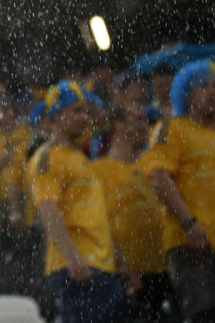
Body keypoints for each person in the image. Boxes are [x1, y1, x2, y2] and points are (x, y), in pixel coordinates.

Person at [26, 81, 127, 323]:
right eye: (75, 112)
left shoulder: (79, 157)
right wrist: (73, 258)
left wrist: (121, 260)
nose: (84, 118)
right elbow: (48, 209)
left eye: (85, 111)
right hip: (76, 268)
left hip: (102, 266)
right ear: (55, 117)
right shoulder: (47, 157)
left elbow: (97, 215)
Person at [144, 60, 215, 321]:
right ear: (185, 92)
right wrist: (188, 223)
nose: (212, 91)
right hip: (192, 243)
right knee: (204, 314)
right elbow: (160, 178)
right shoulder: (171, 128)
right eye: (203, 86)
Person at [92, 103, 174, 322]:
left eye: (147, 121)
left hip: (167, 270)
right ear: (118, 125)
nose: (145, 126)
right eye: (138, 120)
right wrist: (123, 265)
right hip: (126, 276)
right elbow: (100, 226)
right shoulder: (98, 171)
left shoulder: (155, 167)